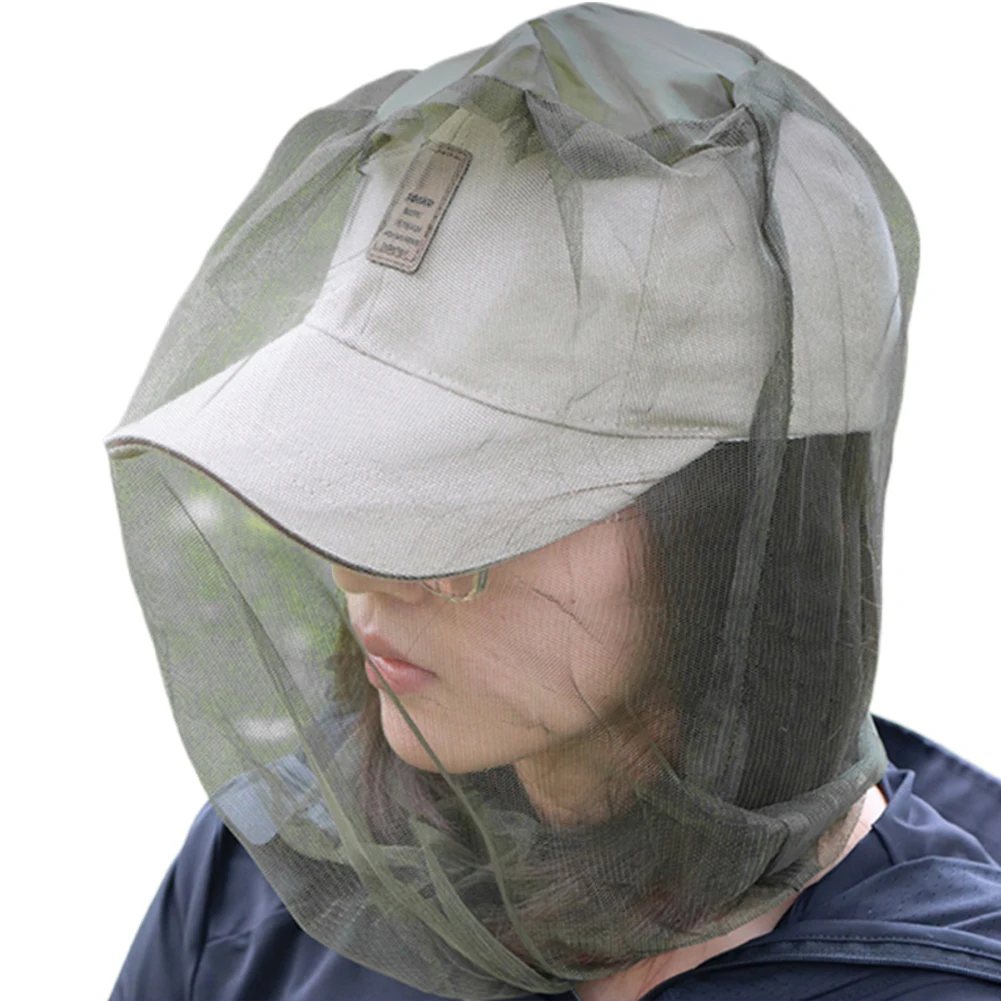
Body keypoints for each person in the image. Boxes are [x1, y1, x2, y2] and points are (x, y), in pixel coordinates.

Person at [103, 3, 1001, 999]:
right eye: (355, 473)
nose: (356, 569)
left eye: (470, 495)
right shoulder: (271, 886)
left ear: (732, 531)